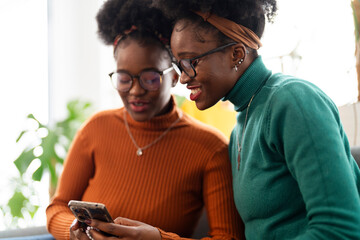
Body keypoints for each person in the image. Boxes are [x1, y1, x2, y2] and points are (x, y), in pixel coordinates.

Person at [121, 0, 360, 239]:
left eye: (190, 62)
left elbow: (339, 229)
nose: (183, 78)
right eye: (178, 64)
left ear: (236, 54)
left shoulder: (292, 101)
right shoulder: (241, 127)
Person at [45, 0, 243, 239]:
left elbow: (229, 236)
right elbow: (57, 207)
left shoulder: (210, 149)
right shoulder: (96, 129)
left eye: (150, 78)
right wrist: (74, 233)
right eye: (124, 78)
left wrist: (159, 238)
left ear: (174, 77)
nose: (136, 91)